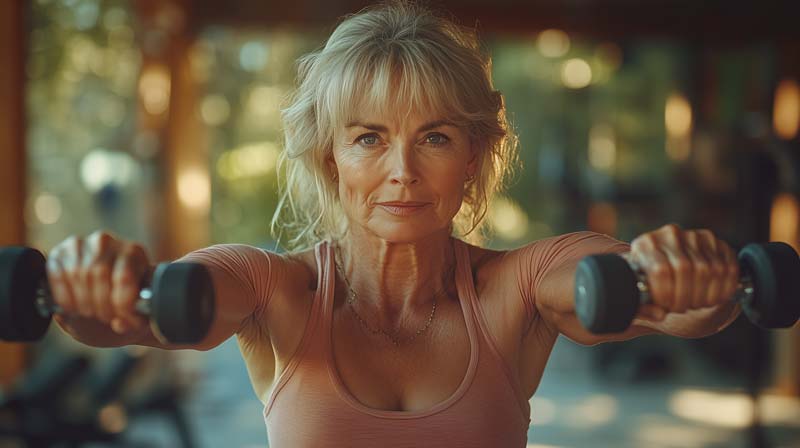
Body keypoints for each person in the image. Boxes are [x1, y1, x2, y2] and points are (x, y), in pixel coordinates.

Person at [45, 2, 742, 446]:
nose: (402, 170)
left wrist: (680, 274)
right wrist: (95, 287)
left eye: (435, 137)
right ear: (330, 157)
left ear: (475, 156)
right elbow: (141, 316)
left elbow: (675, 308)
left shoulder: (515, 289)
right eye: (370, 138)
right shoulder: (275, 289)